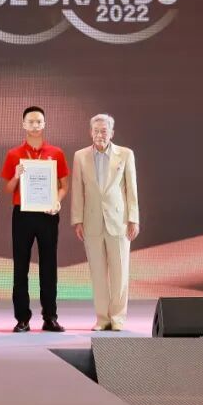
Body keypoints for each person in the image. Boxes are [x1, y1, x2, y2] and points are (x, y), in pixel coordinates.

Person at [0, 106, 70, 333]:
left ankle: (50, 317)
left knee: (49, 266)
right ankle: (22, 318)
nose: (35, 125)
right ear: (23, 124)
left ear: (44, 124)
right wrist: (16, 176)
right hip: (22, 214)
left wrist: (56, 201)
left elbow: (64, 186)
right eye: (30, 121)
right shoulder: (13, 154)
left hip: (48, 214)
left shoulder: (56, 153)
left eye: (39, 121)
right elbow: (8, 189)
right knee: (21, 267)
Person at [70, 114, 140, 332]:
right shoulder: (80, 156)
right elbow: (77, 189)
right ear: (90, 132)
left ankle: (118, 317)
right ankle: (102, 318)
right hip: (91, 222)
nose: (100, 134)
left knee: (120, 272)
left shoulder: (125, 154)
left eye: (104, 131)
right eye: (96, 130)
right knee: (98, 274)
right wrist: (77, 220)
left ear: (112, 133)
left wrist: (134, 219)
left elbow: (131, 189)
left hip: (119, 222)